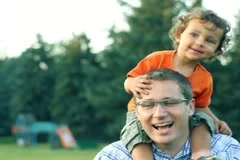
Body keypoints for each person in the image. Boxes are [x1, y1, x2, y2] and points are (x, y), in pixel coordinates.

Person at [121, 8, 232, 160]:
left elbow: (199, 106)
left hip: (179, 116)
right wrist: (133, 83)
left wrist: (216, 121)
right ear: (179, 35)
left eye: (210, 40)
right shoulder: (156, 59)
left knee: (203, 122)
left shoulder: (205, 78)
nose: (200, 42)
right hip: (142, 113)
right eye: (194, 35)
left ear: (215, 51)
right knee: (136, 133)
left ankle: (201, 154)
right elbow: (129, 80)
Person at [94, 69, 240, 160]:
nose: (159, 114)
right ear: (137, 113)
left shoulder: (227, 151)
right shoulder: (112, 156)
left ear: (190, 107)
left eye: (170, 102)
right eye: (148, 105)